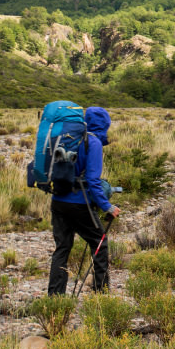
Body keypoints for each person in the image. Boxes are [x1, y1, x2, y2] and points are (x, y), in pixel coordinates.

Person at [47, 106, 121, 295]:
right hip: (80, 203)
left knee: (62, 248)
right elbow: (93, 181)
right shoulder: (92, 142)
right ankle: (101, 292)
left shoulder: (68, 137)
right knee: (99, 242)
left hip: (58, 200)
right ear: (104, 124)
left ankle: (55, 297)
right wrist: (108, 207)